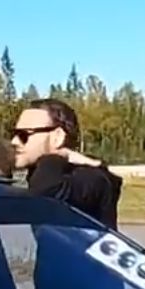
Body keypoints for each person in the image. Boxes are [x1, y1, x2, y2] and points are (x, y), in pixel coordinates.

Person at [9, 98, 123, 228]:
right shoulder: (44, 172)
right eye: (13, 133)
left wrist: (60, 154)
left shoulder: (91, 177)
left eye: (24, 135)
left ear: (57, 137)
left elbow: (46, 192)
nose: (15, 141)